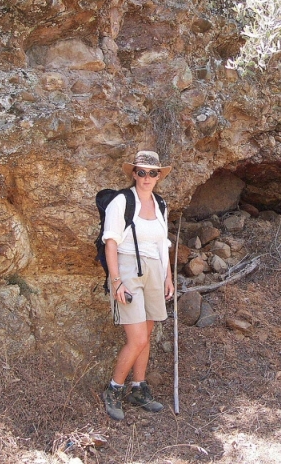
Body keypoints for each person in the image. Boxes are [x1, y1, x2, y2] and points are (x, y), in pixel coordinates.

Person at [101, 150, 175, 421]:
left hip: (155, 270)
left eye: (152, 173)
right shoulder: (121, 201)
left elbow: (162, 244)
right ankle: (113, 389)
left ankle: (138, 388)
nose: (147, 178)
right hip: (128, 269)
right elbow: (110, 242)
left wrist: (168, 277)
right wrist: (116, 281)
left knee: (148, 332)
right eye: (141, 172)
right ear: (134, 173)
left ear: (159, 176)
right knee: (138, 338)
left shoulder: (160, 205)